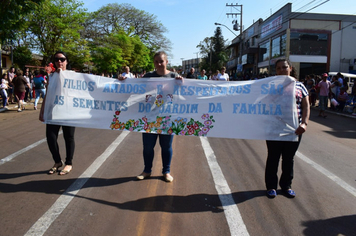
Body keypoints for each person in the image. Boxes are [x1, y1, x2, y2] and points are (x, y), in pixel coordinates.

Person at [120, 51, 183, 182]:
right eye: (156, 61)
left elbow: (183, 94)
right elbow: (134, 86)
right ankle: (147, 170)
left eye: (161, 61)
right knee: (148, 147)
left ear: (166, 62)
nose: (159, 64)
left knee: (166, 147)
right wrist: (124, 81)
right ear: (154, 63)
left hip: (167, 117)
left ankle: (166, 171)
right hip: (149, 117)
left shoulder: (174, 76)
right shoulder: (148, 76)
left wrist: (181, 83)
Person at [265, 58, 310, 198]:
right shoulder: (270, 86)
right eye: (278, 68)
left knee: (289, 159)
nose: (281, 70)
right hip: (274, 129)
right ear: (275, 71)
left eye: (284, 67)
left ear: (290, 68)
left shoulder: (300, 86)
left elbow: (306, 106)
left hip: (294, 130)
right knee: (273, 158)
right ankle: (271, 186)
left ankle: (286, 186)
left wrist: (304, 123)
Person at [39, 51, 75, 175]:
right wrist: (42, 110)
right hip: (54, 111)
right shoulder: (51, 77)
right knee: (51, 137)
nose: (59, 61)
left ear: (67, 61)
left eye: (62, 59)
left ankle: (68, 163)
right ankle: (57, 161)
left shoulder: (73, 75)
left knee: (68, 137)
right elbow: (48, 94)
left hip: (69, 111)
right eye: (56, 59)